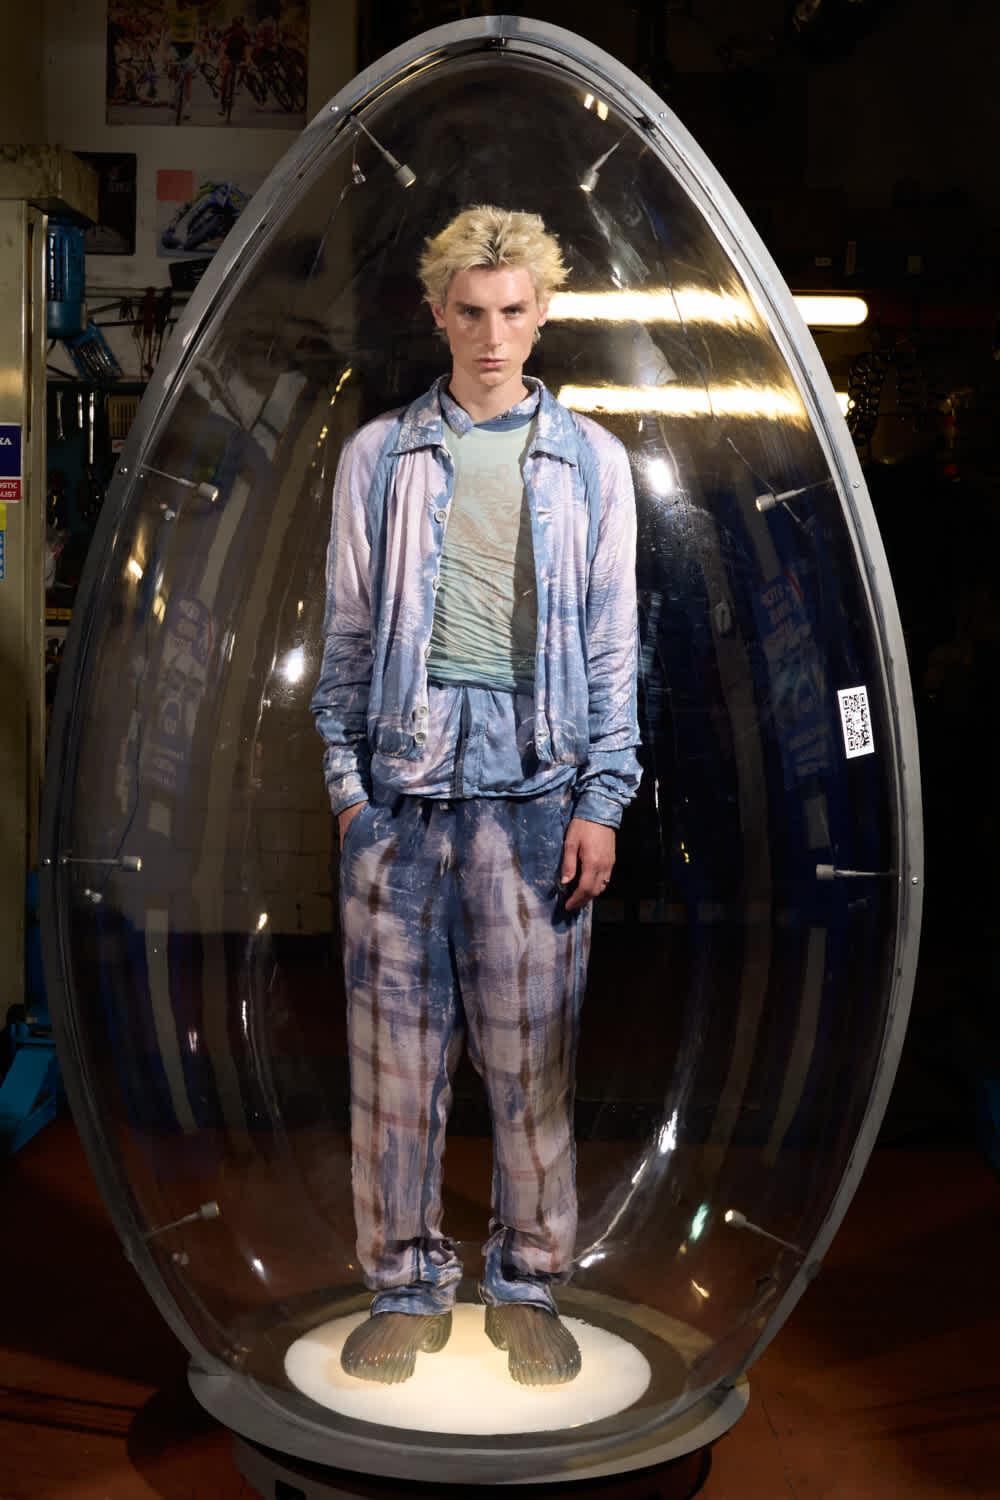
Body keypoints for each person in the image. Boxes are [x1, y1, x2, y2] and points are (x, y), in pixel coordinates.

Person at [311, 205, 641, 1387]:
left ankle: (527, 1281)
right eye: (471, 310)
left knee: (530, 1062)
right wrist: (351, 791)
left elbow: (614, 648)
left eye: (512, 311)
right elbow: (345, 640)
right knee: (394, 1067)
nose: (492, 334)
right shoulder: (379, 458)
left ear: (541, 312)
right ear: (438, 311)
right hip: (400, 801)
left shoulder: (591, 462)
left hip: (539, 799)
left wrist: (602, 800)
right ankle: (403, 1281)